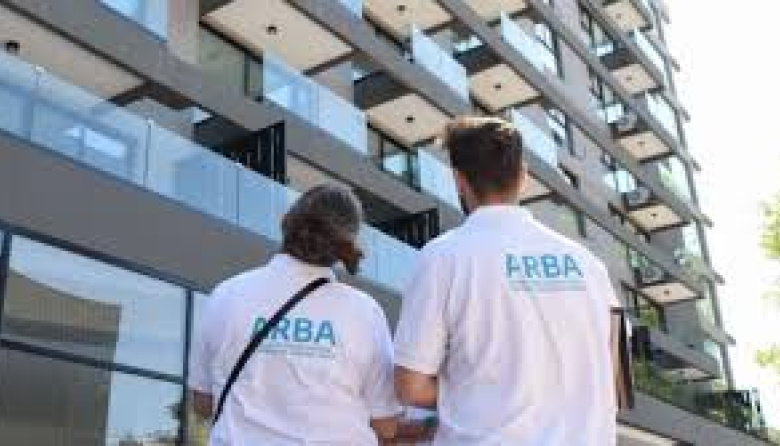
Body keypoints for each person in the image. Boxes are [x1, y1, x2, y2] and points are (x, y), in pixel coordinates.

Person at [394, 117, 623, 445]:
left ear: (458, 180)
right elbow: (612, 379)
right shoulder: (590, 266)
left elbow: (410, 387)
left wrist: (482, 391)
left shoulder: (443, 257)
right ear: (523, 176)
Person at [189, 185, 430, 445]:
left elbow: (202, 403)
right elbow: (385, 425)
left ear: (287, 223)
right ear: (346, 244)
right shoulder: (363, 312)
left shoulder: (227, 295)